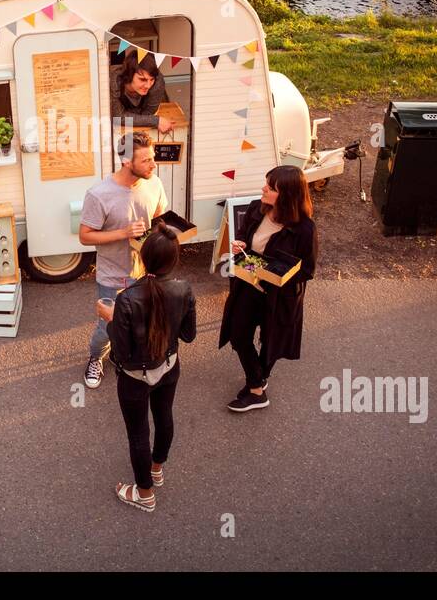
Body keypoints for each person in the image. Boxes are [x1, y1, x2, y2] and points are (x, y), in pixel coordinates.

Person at [96, 223, 196, 513]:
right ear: (174, 260)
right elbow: (188, 335)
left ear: (143, 257)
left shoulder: (126, 298)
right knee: (164, 418)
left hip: (135, 378)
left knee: (138, 433)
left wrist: (111, 319)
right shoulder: (184, 289)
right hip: (169, 367)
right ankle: (156, 469)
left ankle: (144, 494)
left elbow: (124, 353)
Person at [218, 165, 318, 412]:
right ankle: (257, 384)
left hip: (279, 296)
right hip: (248, 286)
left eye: (271, 188)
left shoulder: (305, 230)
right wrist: (239, 244)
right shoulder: (256, 208)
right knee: (239, 335)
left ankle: (256, 387)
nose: (263, 189)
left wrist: (277, 275)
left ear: (287, 195)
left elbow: (308, 270)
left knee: (271, 341)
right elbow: (243, 234)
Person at [78, 131, 168, 389]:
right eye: (146, 160)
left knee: (144, 320)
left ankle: (132, 356)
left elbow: (159, 217)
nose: (153, 165)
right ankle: (96, 358)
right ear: (127, 162)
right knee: (108, 325)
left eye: (153, 158)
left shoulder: (154, 183)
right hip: (112, 274)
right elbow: (85, 237)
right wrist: (124, 233)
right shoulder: (99, 194)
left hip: (147, 272)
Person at [109, 49, 174, 133]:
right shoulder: (113, 81)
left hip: (141, 111)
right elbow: (118, 117)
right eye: (142, 79)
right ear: (129, 74)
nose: (148, 85)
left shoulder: (157, 82)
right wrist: (156, 121)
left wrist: (146, 120)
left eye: (151, 79)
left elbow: (148, 114)